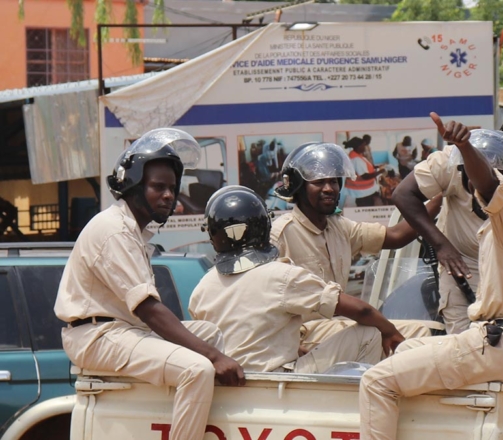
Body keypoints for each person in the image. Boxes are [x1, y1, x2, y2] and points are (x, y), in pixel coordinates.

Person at [359, 114, 503, 440]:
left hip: (499, 343)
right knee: (405, 352)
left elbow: (490, 185)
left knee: (376, 381)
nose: (469, 186)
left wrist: (464, 145)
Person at [54, 128, 245, 440]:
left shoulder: (130, 230)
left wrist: (213, 349)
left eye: (172, 188)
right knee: (197, 369)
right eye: (158, 187)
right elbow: (149, 310)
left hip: (122, 330)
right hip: (98, 336)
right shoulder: (114, 230)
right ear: (132, 185)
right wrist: (213, 357)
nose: (168, 195)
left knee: (210, 333)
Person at [189, 187, 404, 373]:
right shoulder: (281, 275)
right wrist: (389, 331)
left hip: (237, 380)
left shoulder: (201, 288)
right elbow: (363, 311)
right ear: (264, 225)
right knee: (371, 331)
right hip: (281, 379)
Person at [392, 118, 503, 334]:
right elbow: (403, 194)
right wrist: (441, 245)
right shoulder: (452, 159)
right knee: (462, 344)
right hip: (462, 266)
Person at [271, 142, 437, 350]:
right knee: (388, 335)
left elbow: (396, 236)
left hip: (334, 328)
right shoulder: (280, 234)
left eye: (333, 181)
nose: (329, 189)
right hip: (301, 336)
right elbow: (261, 299)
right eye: (319, 182)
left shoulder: (339, 227)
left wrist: (442, 195)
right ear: (298, 187)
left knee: (423, 331)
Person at [344, 136, 384, 206]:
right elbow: (365, 176)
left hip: (361, 191)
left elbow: (364, 167)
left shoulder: (355, 155)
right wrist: (380, 172)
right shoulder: (356, 159)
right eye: (363, 146)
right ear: (358, 146)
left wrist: (376, 167)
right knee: (365, 206)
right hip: (362, 191)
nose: (364, 147)